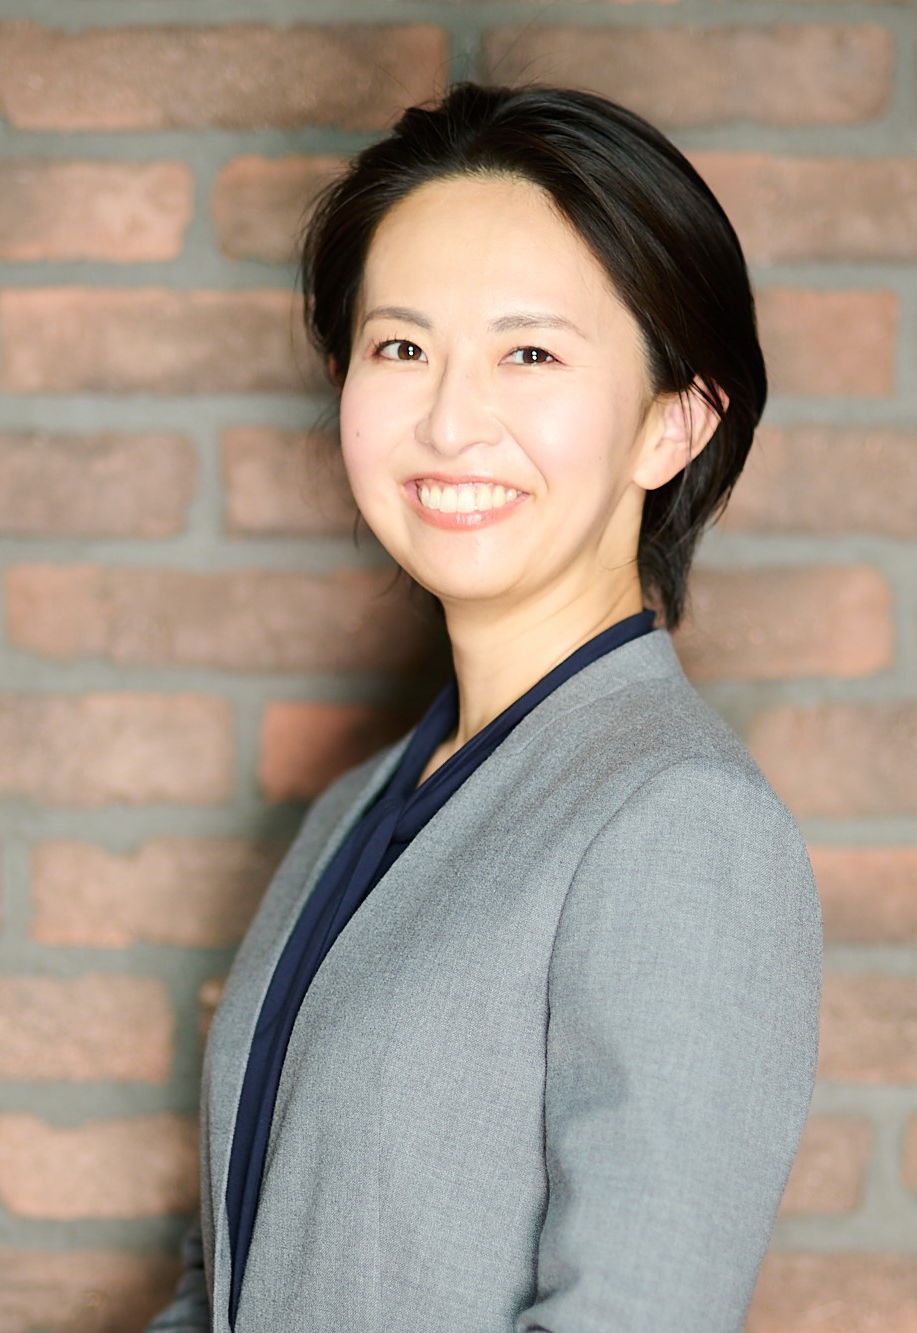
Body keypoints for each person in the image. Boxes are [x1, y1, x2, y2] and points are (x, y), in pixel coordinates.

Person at [147, 81, 822, 1333]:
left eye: (530, 353)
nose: (450, 422)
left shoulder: (680, 823)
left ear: (673, 423)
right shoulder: (355, 807)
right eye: (401, 349)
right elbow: (228, 1272)